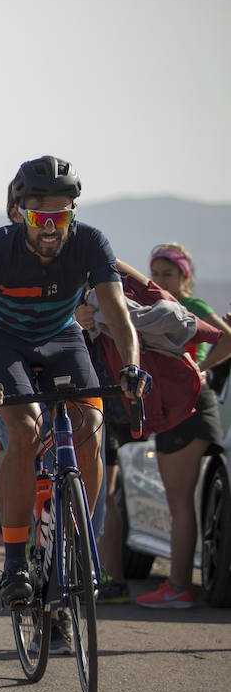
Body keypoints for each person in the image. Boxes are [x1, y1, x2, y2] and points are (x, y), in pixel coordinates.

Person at [0, 156, 147, 615]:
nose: (50, 225)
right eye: (40, 214)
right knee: (23, 433)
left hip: (62, 338)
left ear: (73, 214)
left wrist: (131, 365)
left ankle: (79, 541)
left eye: (61, 214)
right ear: (19, 212)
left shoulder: (90, 244)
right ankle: (14, 562)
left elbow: (118, 313)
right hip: (6, 344)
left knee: (91, 425)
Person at [134, 243, 231, 607]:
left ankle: (178, 588)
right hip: (178, 409)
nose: (161, 281)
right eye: (155, 274)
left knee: (179, 505)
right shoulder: (154, 308)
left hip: (187, 408)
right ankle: (178, 585)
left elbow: (227, 340)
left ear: (184, 277)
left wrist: (197, 371)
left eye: (168, 274)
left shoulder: (193, 308)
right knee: (183, 503)